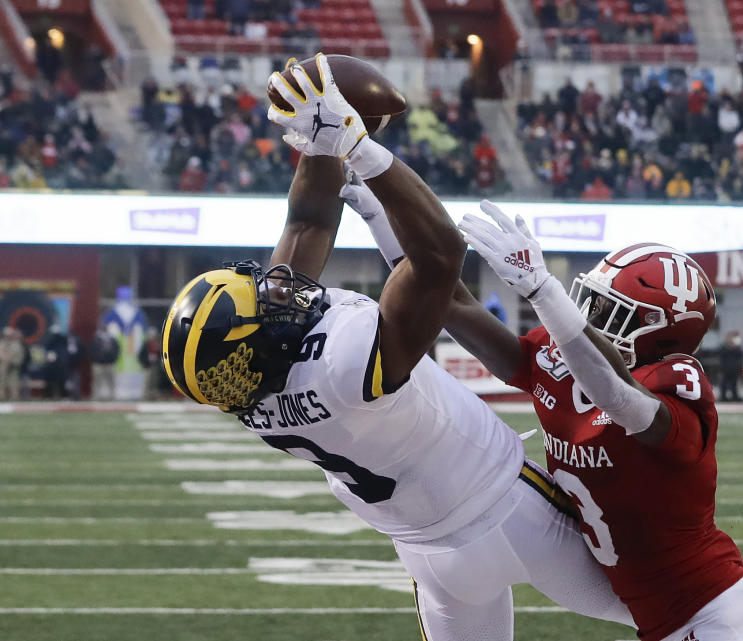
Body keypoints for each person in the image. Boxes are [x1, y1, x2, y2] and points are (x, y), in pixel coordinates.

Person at [160, 54, 634, 641]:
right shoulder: (340, 365)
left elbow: (308, 223)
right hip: (511, 513)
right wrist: (362, 149)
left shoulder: (252, 384)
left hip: (427, 554)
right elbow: (438, 262)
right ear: (255, 340)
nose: (273, 286)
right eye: (264, 299)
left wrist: (320, 140)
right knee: (690, 610)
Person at [348, 194, 743, 638]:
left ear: (661, 334)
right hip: (644, 606)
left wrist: (543, 289)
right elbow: (449, 301)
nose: (586, 317)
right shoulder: (561, 367)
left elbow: (616, 395)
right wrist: (379, 208)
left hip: (714, 610)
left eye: (609, 311)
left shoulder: (678, 383)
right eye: (588, 302)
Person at [88, 324, 120, 401]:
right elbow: (91, 350)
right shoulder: (96, 339)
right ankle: (96, 397)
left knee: (111, 382)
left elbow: (117, 350)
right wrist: (95, 359)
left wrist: (113, 359)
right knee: (97, 382)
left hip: (110, 364)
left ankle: (112, 397)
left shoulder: (112, 339)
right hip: (98, 364)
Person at [0, 327, 26, 401]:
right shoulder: (1, 344)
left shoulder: (16, 345)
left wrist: (12, 360)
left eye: (9, 335)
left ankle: (14, 398)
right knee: (1, 383)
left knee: (13, 383)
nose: (7, 337)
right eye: (6, 335)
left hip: (13, 367)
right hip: (2, 367)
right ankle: (2, 397)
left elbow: (19, 357)